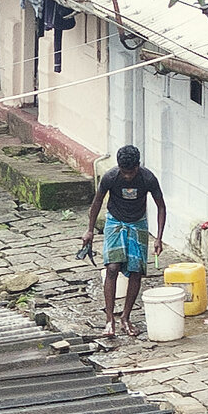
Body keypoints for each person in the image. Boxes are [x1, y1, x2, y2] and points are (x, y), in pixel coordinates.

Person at [77, 143, 166, 339]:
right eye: (124, 172)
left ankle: (126, 317)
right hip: (115, 221)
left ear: (137, 166)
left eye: (130, 172)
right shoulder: (110, 177)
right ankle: (110, 320)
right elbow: (98, 201)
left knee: (136, 270)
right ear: (119, 167)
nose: (127, 176)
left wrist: (159, 238)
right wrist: (89, 230)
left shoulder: (148, 178)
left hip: (138, 223)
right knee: (112, 267)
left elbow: (161, 207)